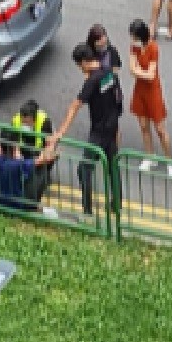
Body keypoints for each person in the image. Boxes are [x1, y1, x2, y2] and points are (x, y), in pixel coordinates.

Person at [52, 43, 124, 216]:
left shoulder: (91, 81)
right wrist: (116, 129)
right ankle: (117, 204)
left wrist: (60, 133)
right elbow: (118, 102)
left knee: (84, 169)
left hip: (98, 133)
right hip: (112, 128)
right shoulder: (110, 74)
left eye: (79, 65)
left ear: (84, 62)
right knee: (112, 167)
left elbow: (74, 107)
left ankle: (87, 209)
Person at [128, 19, 172, 177]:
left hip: (153, 91)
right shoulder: (134, 48)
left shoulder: (153, 48)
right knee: (143, 125)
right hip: (140, 90)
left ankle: (170, 161)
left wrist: (138, 72)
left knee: (160, 129)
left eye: (134, 36)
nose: (132, 40)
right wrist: (141, 73)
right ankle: (150, 156)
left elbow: (150, 75)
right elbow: (133, 69)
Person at [0, 99, 56, 208]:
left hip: (39, 149)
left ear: (34, 120)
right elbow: (11, 138)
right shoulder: (16, 120)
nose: (24, 124)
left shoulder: (45, 122)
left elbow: (49, 145)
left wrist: (42, 159)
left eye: (27, 122)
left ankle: (44, 176)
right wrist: (16, 153)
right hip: (23, 148)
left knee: (44, 166)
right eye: (23, 121)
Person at [0, 139, 59, 211]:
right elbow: (44, 159)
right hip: (15, 206)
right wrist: (50, 145)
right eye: (17, 149)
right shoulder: (19, 164)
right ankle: (33, 207)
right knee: (42, 173)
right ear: (14, 151)